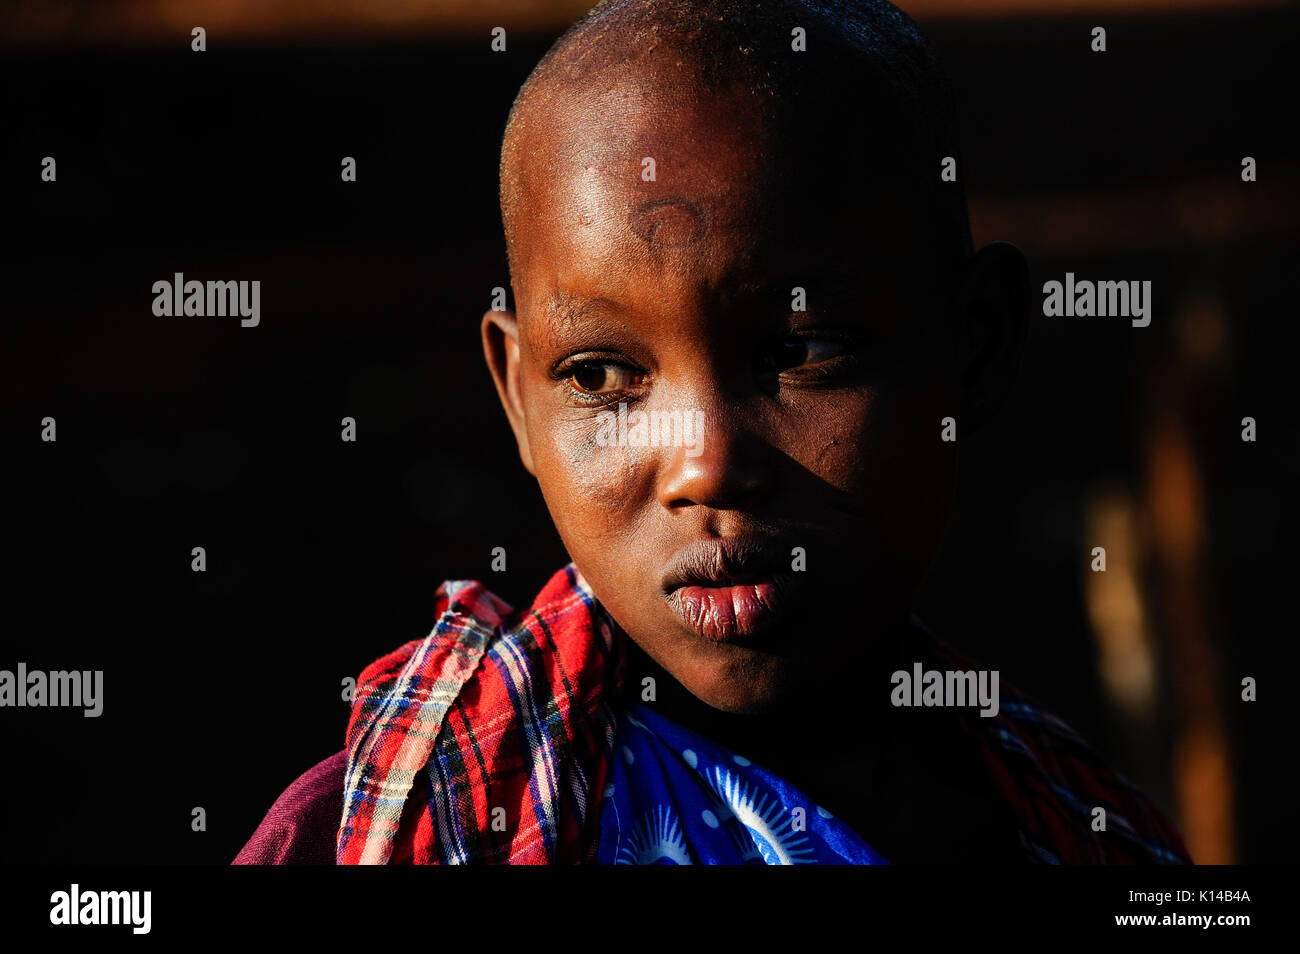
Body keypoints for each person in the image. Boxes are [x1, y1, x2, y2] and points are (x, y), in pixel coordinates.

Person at [235, 0, 1191, 865]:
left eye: (802, 348)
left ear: (973, 351)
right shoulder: (388, 830)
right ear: (520, 398)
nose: (706, 465)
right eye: (600, 376)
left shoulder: (1083, 829)